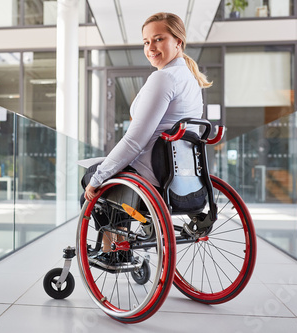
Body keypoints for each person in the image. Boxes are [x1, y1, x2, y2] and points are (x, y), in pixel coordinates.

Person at [82, 12, 212, 256]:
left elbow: (134, 141)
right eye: (146, 41)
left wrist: (98, 178)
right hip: (182, 174)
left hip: (154, 173)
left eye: (158, 39)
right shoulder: (190, 79)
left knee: (90, 180)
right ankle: (123, 243)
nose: (150, 47)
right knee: (104, 172)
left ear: (178, 42)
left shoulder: (164, 78)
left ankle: (115, 253)